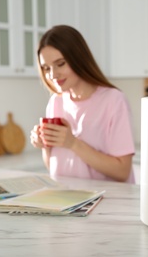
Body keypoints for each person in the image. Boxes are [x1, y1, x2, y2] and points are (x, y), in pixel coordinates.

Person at [30, 25, 135, 183]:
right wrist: (44, 144)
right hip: (66, 200)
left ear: (78, 58)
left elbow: (122, 171)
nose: (53, 75)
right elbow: (54, 167)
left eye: (60, 64)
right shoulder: (56, 103)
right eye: (46, 68)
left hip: (106, 201)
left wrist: (72, 143)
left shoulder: (113, 100)